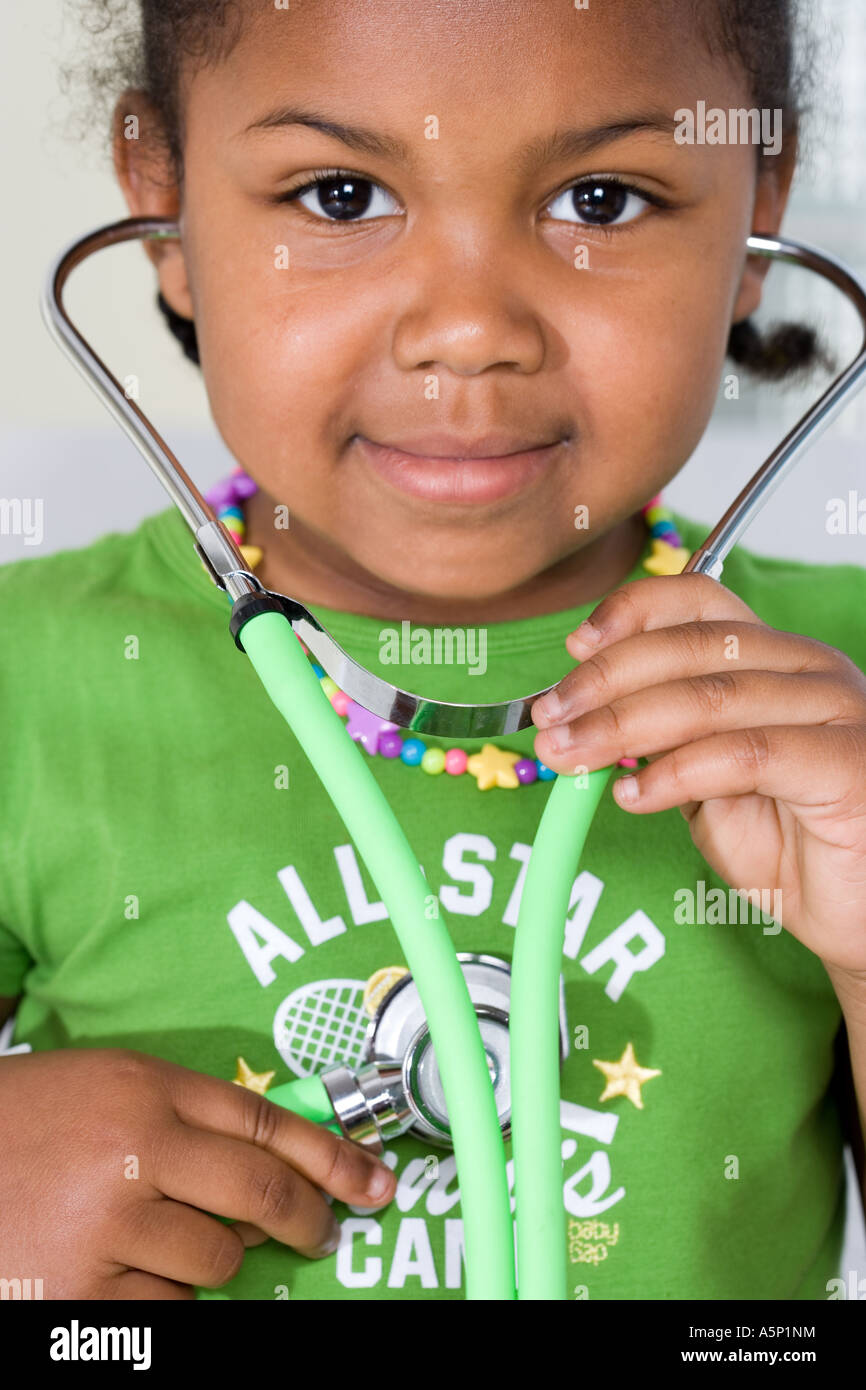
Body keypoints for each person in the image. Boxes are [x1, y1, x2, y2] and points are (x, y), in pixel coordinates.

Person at [0, 0, 864, 1302]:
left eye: (601, 199)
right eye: (339, 195)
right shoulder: (30, 674)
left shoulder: (839, 697)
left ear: (755, 210)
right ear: (165, 199)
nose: (468, 329)